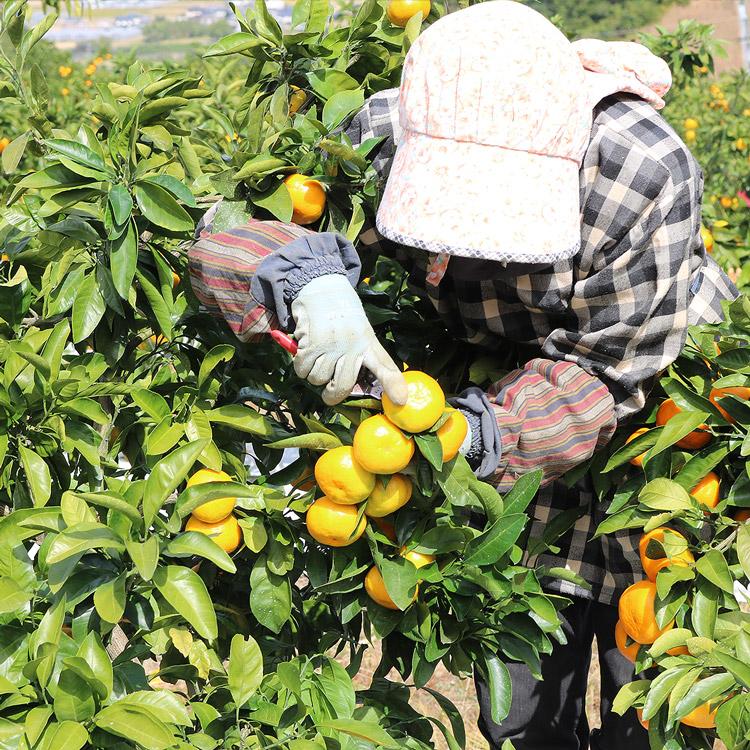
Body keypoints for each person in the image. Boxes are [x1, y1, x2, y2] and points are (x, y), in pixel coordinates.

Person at [188, 2, 737, 747]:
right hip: (496, 386)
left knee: (662, 679)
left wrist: (479, 431)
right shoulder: (382, 135)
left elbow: (607, 376)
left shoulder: (641, 171)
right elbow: (220, 225)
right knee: (525, 704)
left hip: (662, 406)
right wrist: (298, 270)